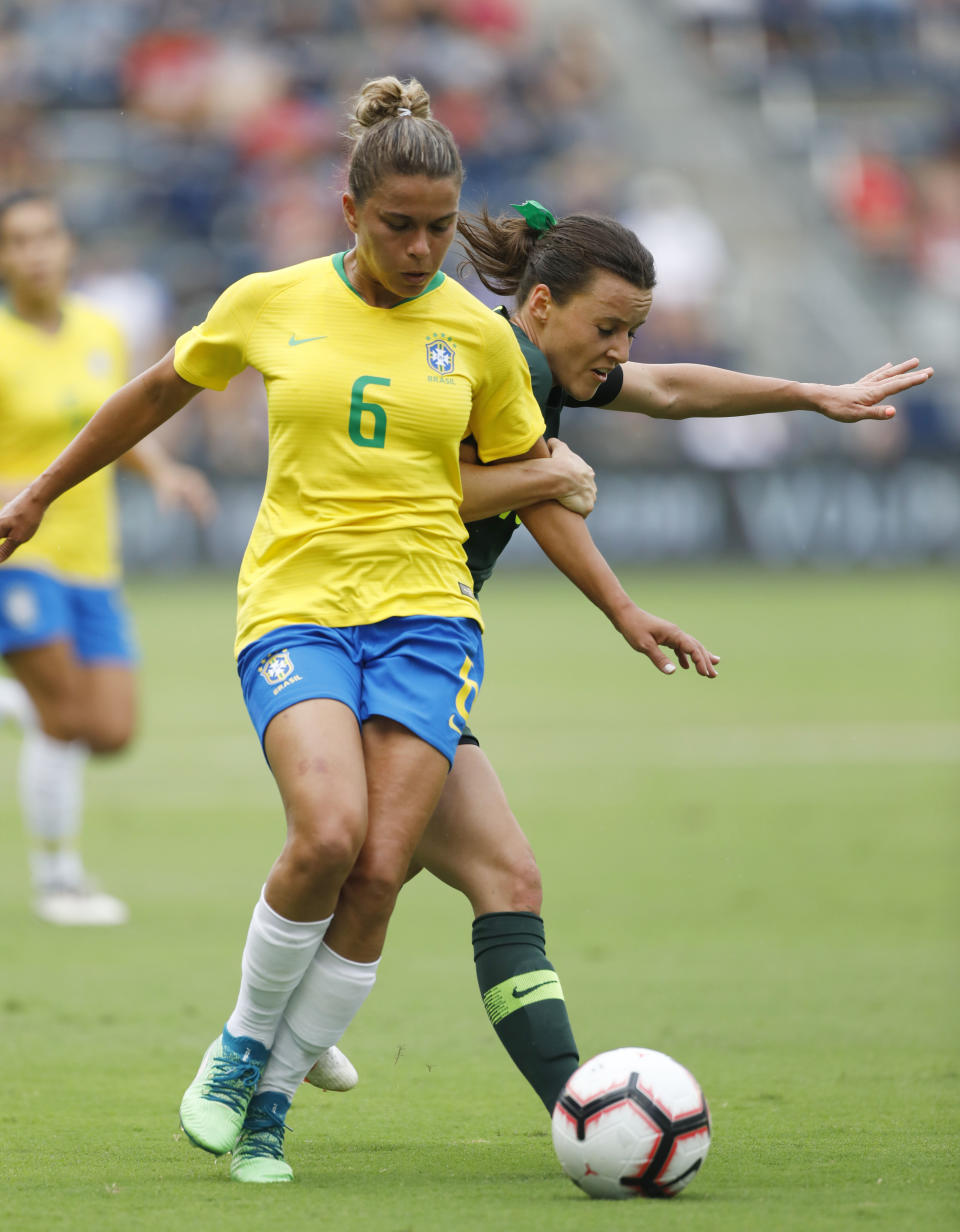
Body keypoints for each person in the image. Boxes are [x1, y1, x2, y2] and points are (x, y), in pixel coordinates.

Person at [0, 80, 718, 1184]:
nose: (423, 246)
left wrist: (620, 603)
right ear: (349, 211)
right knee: (329, 833)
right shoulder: (270, 300)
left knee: (382, 866)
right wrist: (44, 489)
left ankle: (273, 1105)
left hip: (430, 616)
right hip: (296, 602)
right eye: (398, 225)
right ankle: (240, 1047)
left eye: (439, 225)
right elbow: (154, 392)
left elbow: (537, 483)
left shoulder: (479, 339)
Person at [295, 203, 933, 1125]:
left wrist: (811, 396)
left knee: (488, 877)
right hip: (358, 635)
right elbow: (437, 487)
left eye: (630, 328)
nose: (621, 348)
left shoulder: (541, 370)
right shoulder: (486, 362)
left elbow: (670, 390)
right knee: (366, 859)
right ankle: (273, 1037)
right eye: (609, 327)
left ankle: (577, 1110)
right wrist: (587, 541)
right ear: (542, 304)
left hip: (413, 645)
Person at [0, 190, 215, 926]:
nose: (34, 252)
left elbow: (117, 430)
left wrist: (166, 473)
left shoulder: (98, 329)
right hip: (19, 555)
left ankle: (15, 704)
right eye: (18, 240)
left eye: (46, 235)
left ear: (67, 245)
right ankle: (58, 878)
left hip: (96, 558)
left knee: (111, 729)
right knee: (63, 715)